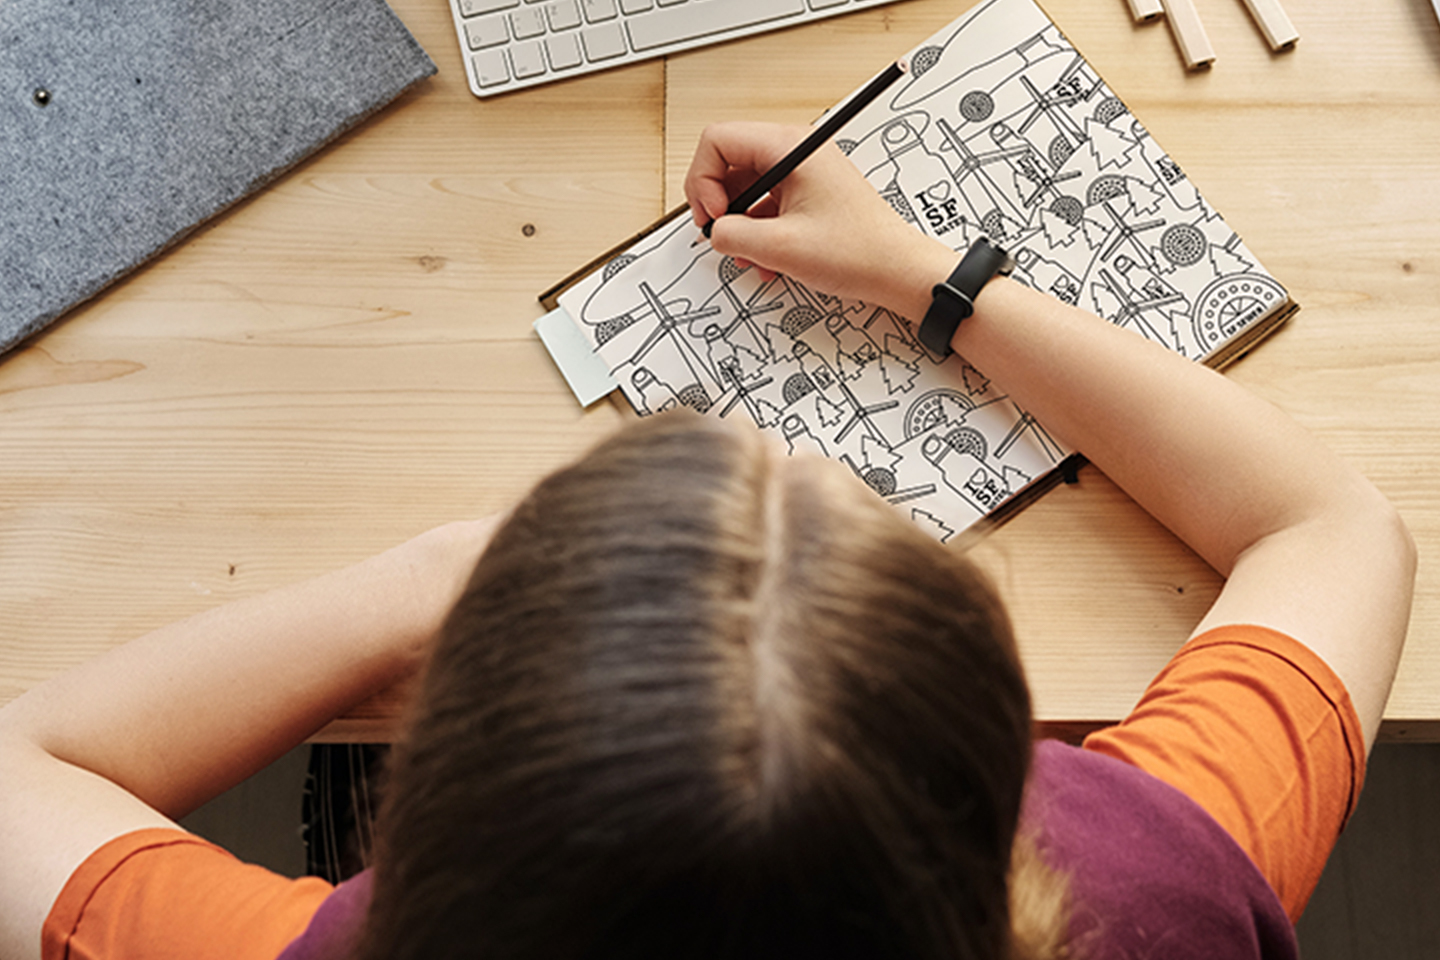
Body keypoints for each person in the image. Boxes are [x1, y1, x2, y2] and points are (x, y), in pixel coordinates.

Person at [0, 122, 1415, 960]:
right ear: (1005, 785)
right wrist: (934, 275)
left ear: (427, 802)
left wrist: (451, 570)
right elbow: (1329, 524)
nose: (780, 445)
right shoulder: (1148, 885)